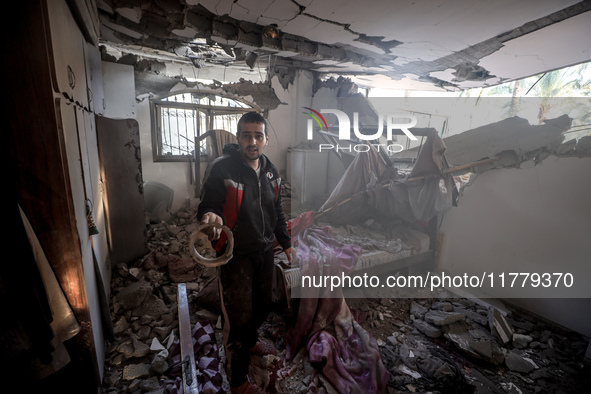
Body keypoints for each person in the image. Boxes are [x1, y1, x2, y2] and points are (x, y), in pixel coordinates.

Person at [197, 111, 292, 393]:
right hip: (234, 254)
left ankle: (252, 342)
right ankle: (238, 380)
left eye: (258, 136)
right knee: (237, 317)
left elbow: (276, 209)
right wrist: (210, 218)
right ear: (238, 138)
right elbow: (207, 207)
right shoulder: (222, 168)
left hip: (263, 251)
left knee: (263, 303)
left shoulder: (270, 169)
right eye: (247, 135)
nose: (253, 141)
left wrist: (285, 243)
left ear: (265, 139)